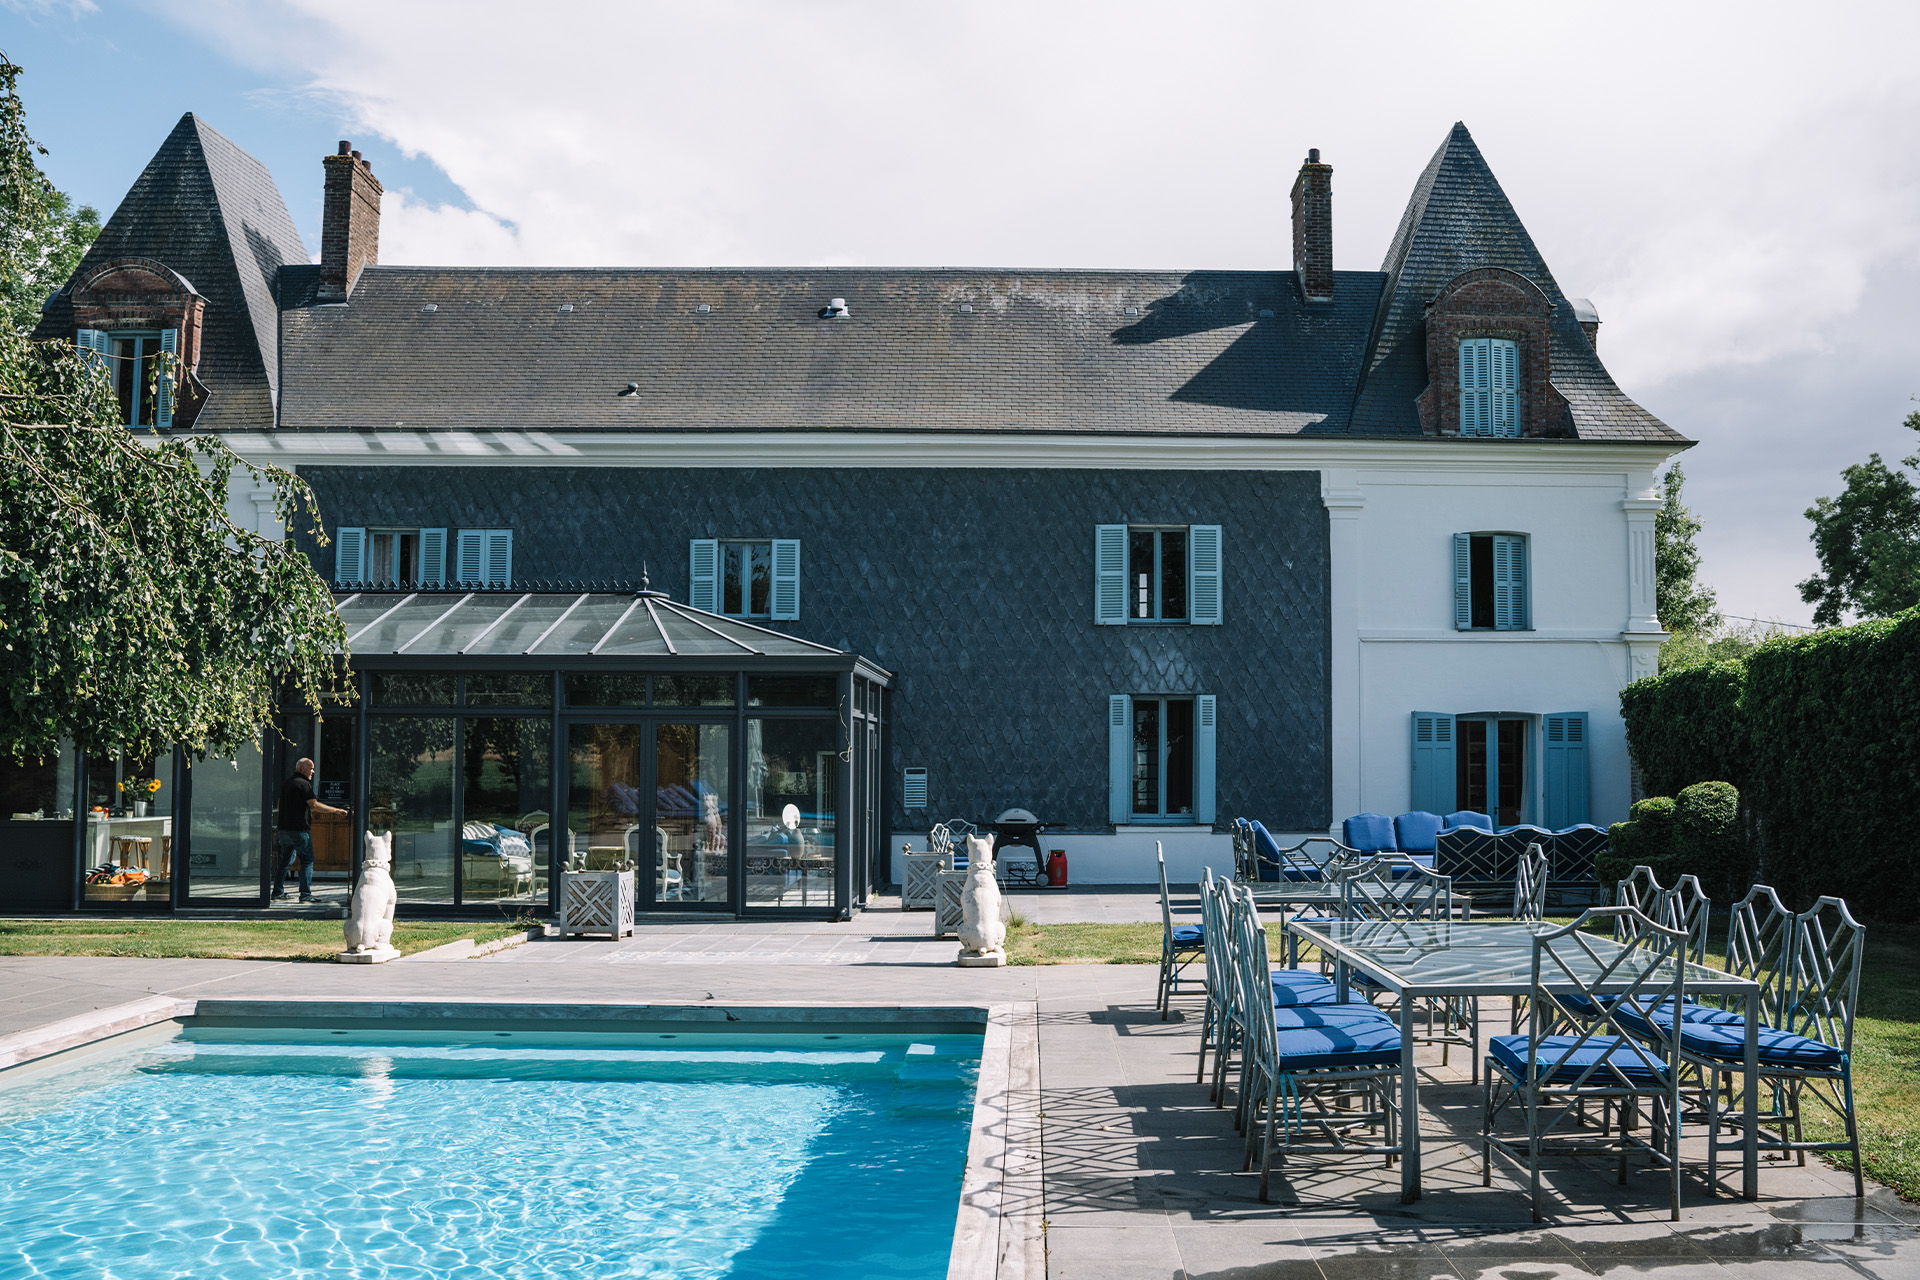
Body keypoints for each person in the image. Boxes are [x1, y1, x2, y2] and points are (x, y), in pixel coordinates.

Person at [274, 757, 347, 903]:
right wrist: (337, 810)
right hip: (300, 830)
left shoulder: (287, 783)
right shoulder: (303, 784)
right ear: (302, 769)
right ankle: (305, 894)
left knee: (285, 861)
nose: (313, 771)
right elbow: (314, 805)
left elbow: (279, 804)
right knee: (307, 860)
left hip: (284, 829)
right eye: (311, 768)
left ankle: (277, 892)